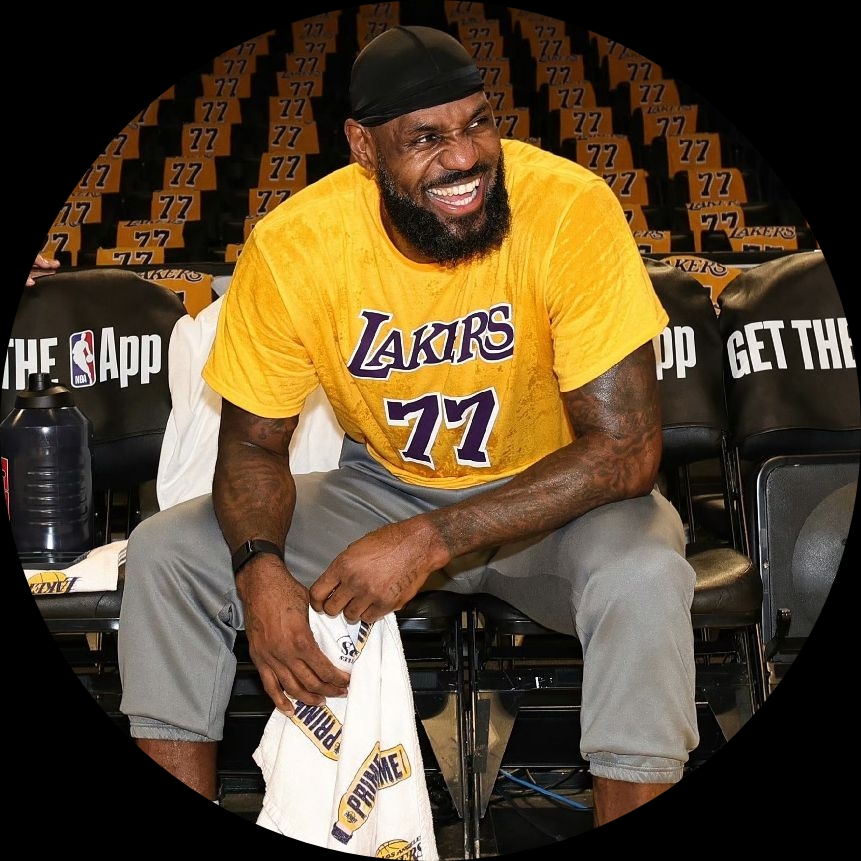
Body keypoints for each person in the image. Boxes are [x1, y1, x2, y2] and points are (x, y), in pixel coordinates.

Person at [117, 25, 699, 828]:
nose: (463, 157)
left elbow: (624, 452)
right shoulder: (296, 245)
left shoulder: (568, 206)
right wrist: (259, 569)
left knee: (645, 576)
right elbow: (251, 444)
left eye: (477, 124)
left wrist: (430, 538)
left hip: (557, 500)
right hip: (382, 489)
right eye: (425, 138)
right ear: (363, 146)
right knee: (168, 554)